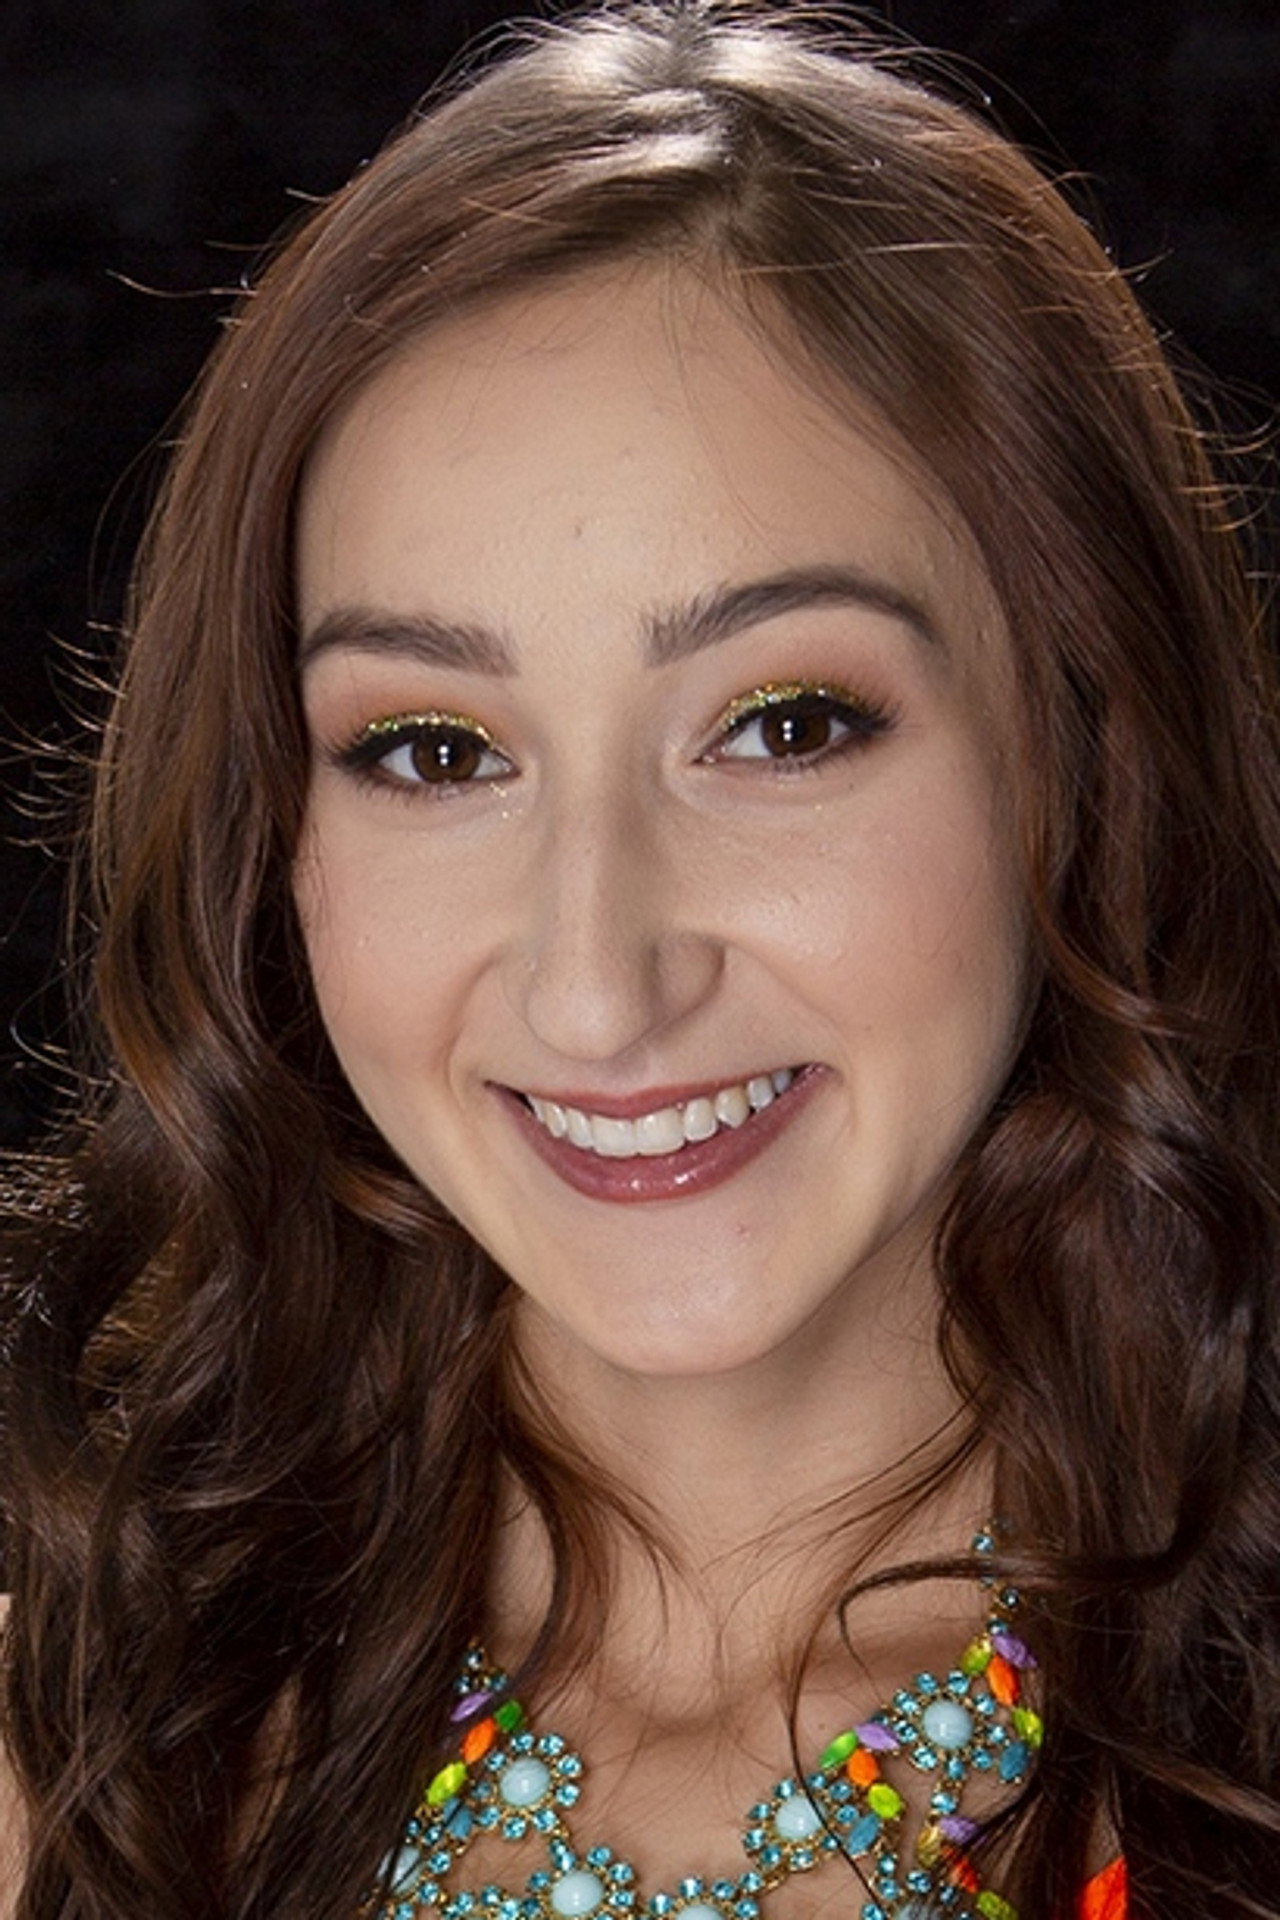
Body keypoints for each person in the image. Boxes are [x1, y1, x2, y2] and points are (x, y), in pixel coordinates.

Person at [2, 3, 1278, 1915]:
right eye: (435, 752)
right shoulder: (65, 1765)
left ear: (1088, 751)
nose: (595, 984)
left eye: (783, 727)